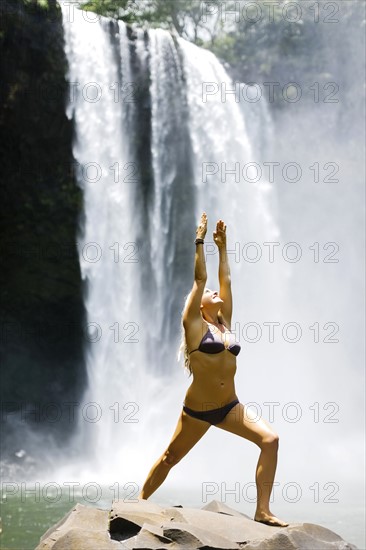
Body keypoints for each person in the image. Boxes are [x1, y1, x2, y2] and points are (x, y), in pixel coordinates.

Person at [138, 212, 289, 527]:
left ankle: (262, 510)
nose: (216, 294)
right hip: (198, 409)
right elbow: (200, 281)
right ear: (199, 305)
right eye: (211, 295)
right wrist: (200, 241)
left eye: (217, 294)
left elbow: (226, 280)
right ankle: (137, 503)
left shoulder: (225, 322)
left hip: (230, 406)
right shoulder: (194, 326)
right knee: (170, 458)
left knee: (270, 440)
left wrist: (223, 247)